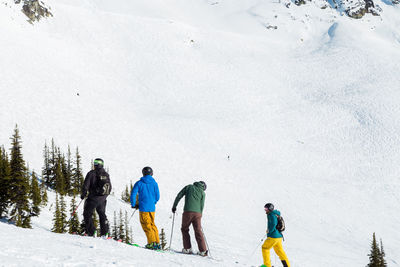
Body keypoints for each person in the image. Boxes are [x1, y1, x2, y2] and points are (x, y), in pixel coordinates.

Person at [171, 181, 207, 256]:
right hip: (198, 214)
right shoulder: (202, 193)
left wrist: (174, 206)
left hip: (188, 212)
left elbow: (179, 195)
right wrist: (199, 215)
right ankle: (203, 250)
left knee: (184, 229)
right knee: (198, 231)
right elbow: (202, 205)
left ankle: (187, 249)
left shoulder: (189, 187)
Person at [130, 166, 161, 250]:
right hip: (152, 208)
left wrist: (133, 204)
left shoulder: (139, 183)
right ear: (151, 173)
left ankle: (151, 243)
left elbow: (133, 194)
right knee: (152, 224)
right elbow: (158, 197)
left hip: (143, 208)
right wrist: (153, 202)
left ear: (143, 173)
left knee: (146, 225)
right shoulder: (154, 183)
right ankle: (157, 243)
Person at [80, 158, 112, 237]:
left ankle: (92, 232)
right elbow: (109, 187)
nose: (94, 164)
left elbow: (86, 185)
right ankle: (105, 233)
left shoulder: (91, 173)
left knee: (87, 214)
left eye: (95, 163)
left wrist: (83, 194)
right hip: (103, 198)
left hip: (93, 198)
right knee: (102, 214)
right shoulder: (106, 174)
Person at [261, 203, 290, 267]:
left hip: (273, 236)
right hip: (279, 237)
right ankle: (287, 265)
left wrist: (269, 231)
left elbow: (273, 223)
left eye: (266, 208)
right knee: (279, 251)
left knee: (265, 248)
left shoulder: (271, 214)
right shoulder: (276, 214)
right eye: (265, 208)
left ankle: (267, 265)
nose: (265, 210)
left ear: (270, 209)